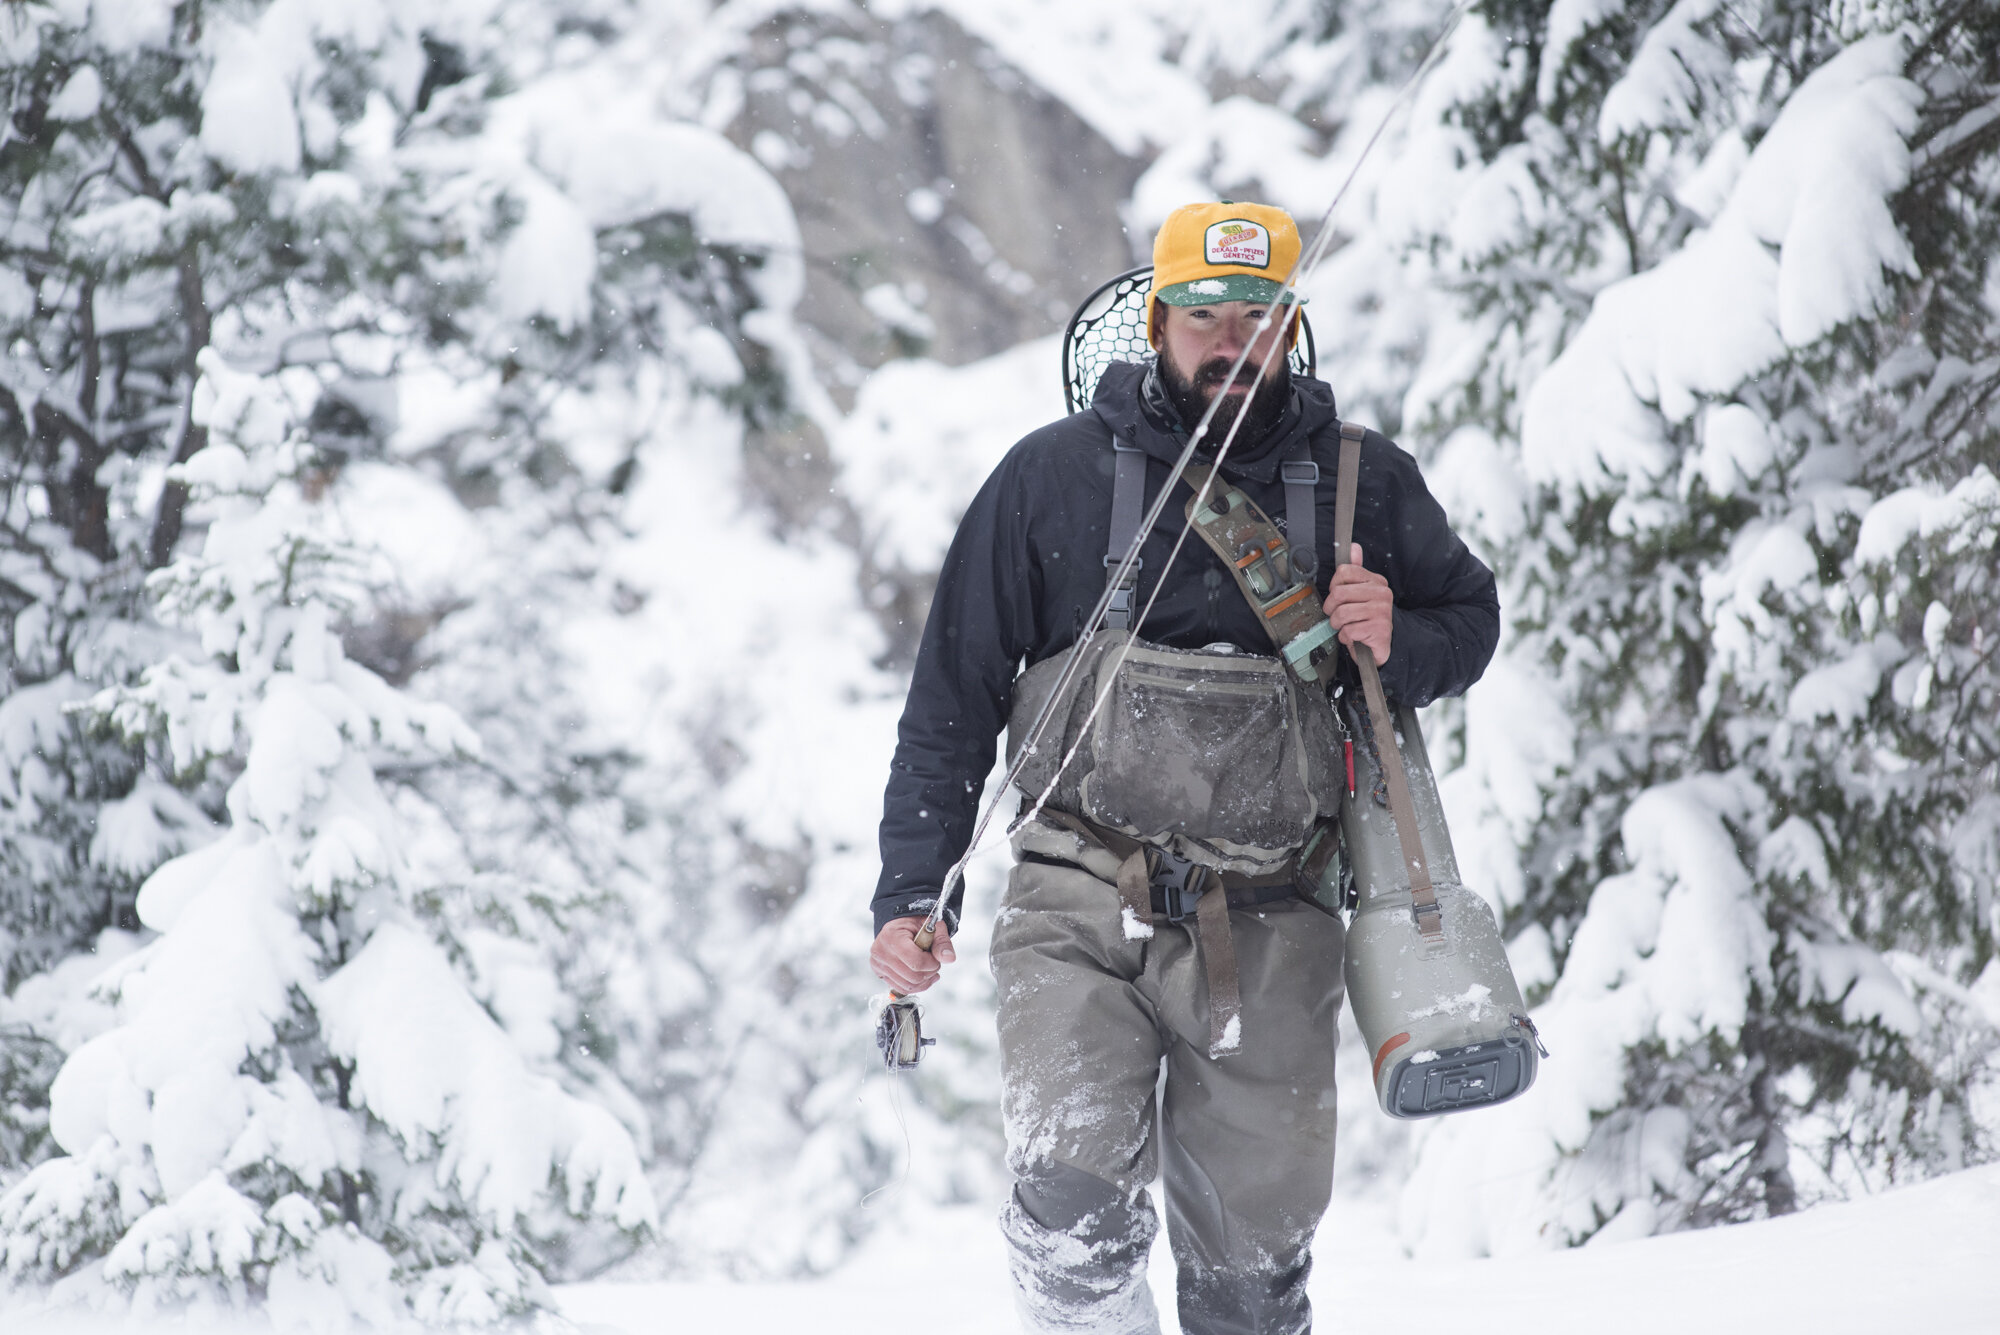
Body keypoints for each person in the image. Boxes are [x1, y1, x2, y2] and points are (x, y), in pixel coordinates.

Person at [868, 200, 1500, 1335]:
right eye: (1203, 316)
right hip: (1073, 892)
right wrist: (914, 890)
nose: (1229, 341)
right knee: (1068, 1207)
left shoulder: (1363, 482)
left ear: (1290, 330)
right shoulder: (1048, 477)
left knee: (1253, 1263)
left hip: (1273, 912)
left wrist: (1401, 637)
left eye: (1255, 317)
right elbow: (950, 700)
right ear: (1154, 321)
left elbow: (1473, 623)